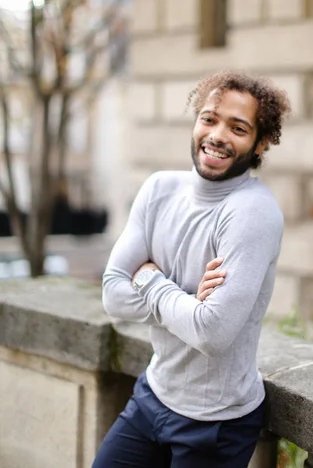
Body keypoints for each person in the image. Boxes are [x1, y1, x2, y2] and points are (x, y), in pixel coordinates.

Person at [93, 71, 291, 468]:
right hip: (153, 394)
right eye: (209, 118)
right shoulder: (159, 189)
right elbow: (112, 294)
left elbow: (212, 331)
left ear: (261, 143)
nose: (218, 135)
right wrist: (187, 300)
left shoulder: (252, 212)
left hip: (215, 423)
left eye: (238, 127)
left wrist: (150, 278)